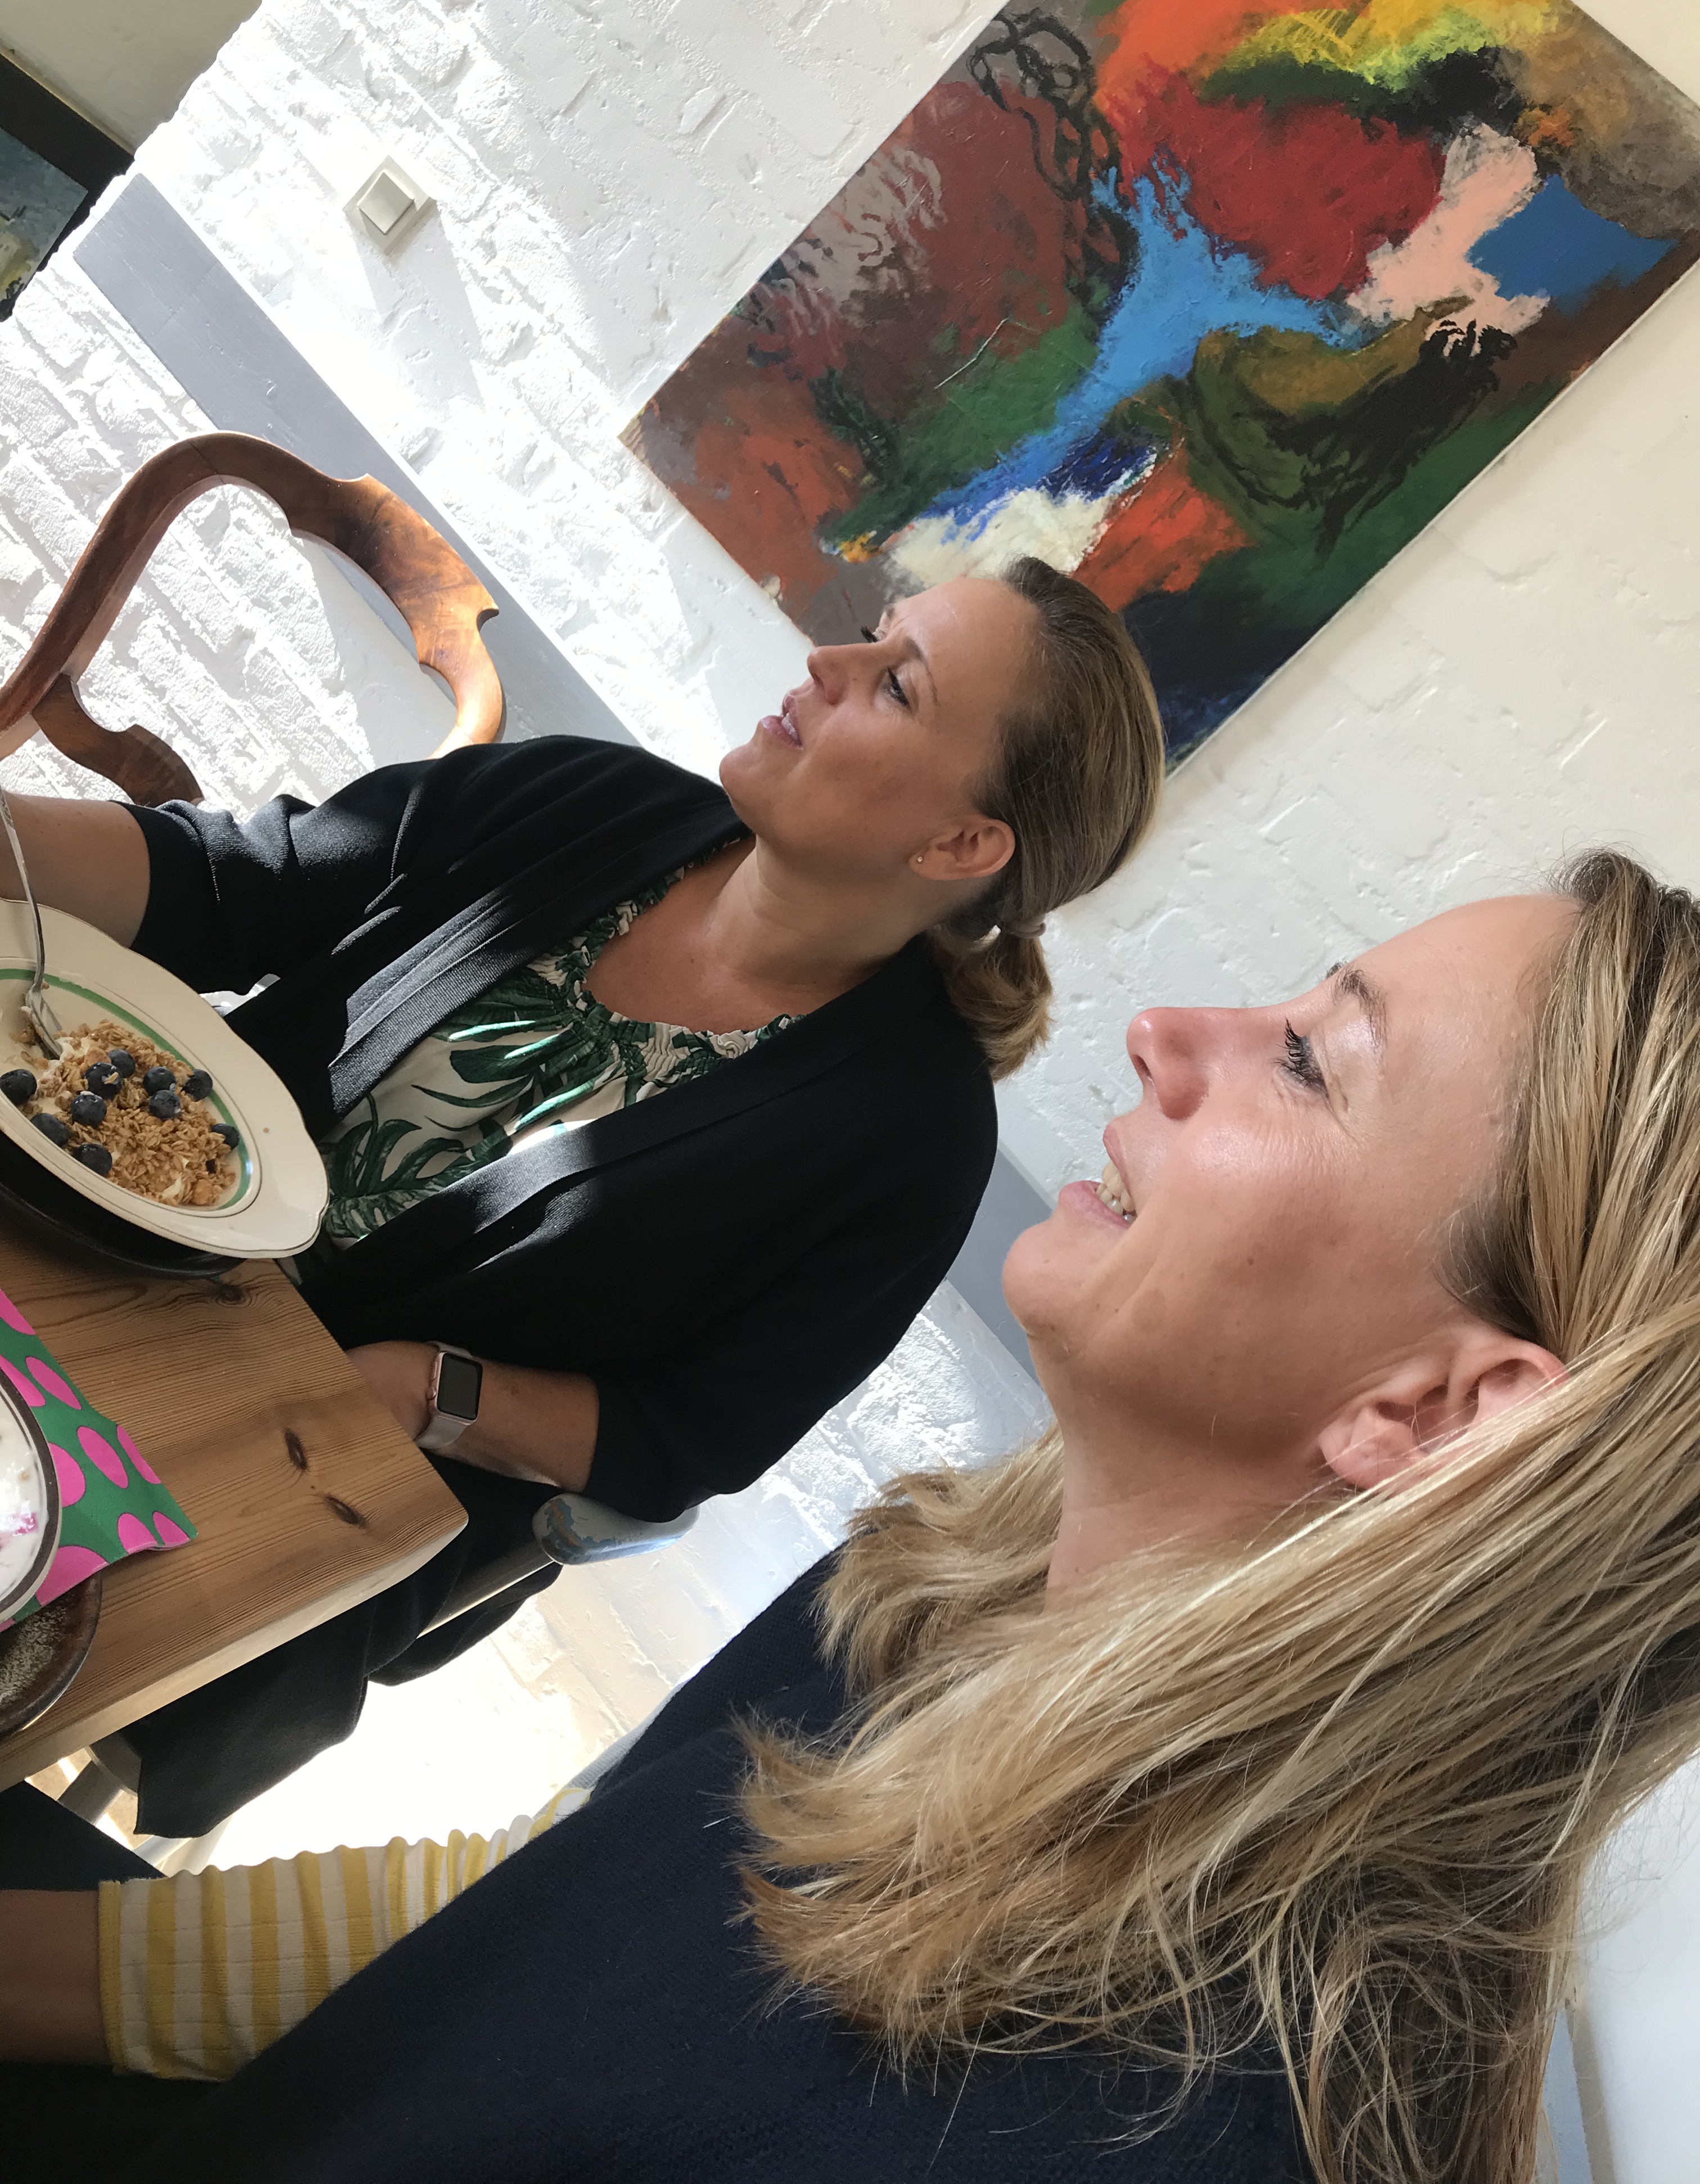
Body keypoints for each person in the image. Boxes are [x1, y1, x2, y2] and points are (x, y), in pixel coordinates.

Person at [5, 848, 1697, 2184]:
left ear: (1438, 1415)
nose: (1170, 1032)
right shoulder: (947, 1584)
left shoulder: (1114, 2125)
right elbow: (530, 1925)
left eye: (1312, 1061)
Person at [0, 557, 1163, 1835]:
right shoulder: (593, 802)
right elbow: (237, 880)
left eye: (896, 685)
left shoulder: (910, 1142)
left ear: (961, 844)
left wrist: (426, 1392)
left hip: (303, 1457)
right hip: (102, 1246)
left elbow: (688, 1437)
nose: (826, 663)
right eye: (872, 635)